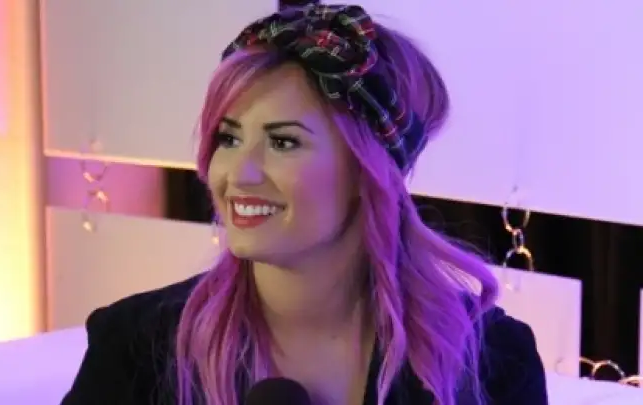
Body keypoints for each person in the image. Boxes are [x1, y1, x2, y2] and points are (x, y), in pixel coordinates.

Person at [61, 4, 547, 405]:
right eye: (229, 139)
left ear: (366, 172)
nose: (238, 175)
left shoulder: (493, 360)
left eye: (283, 143)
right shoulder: (136, 345)